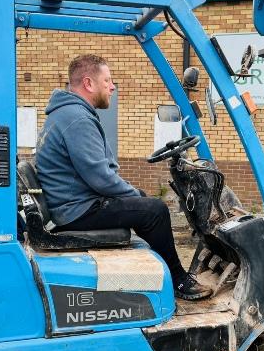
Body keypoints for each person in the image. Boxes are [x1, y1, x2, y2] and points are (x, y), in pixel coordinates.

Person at [35, 54, 212, 301]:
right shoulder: (76, 119)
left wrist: (132, 194)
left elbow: (99, 174)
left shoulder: (67, 114)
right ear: (88, 83)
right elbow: (101, 178)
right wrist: (135, 194)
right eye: (107, 80)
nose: (112, 86)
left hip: (71, 204)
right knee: (155, 210)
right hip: (77, 210)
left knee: (142, 204)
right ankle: (178, 280)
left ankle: (162, 274)